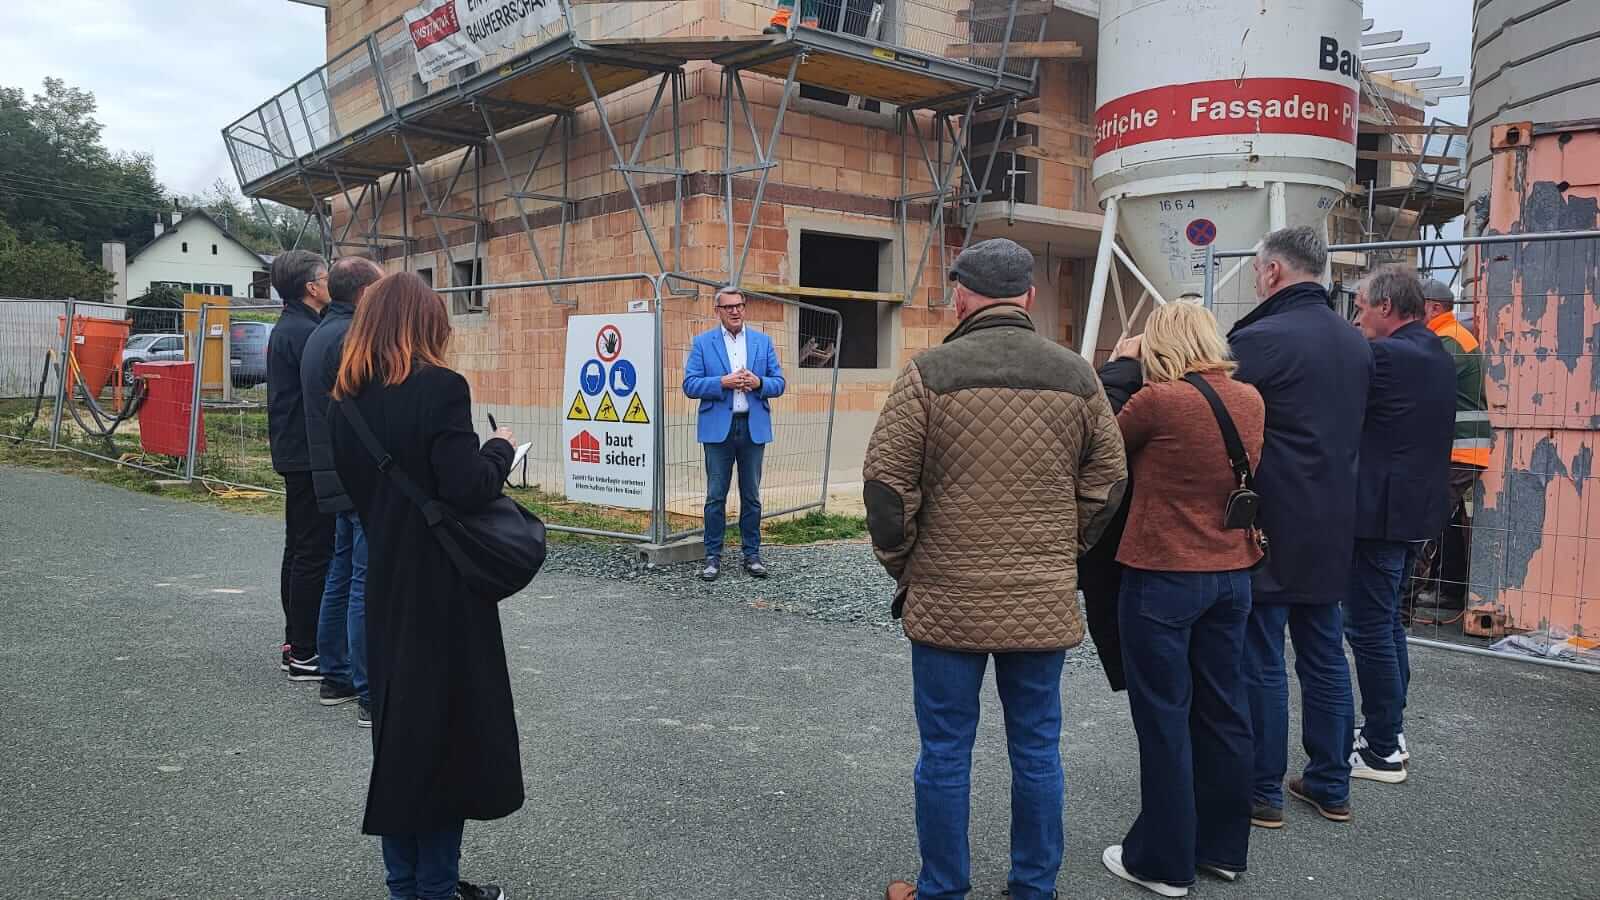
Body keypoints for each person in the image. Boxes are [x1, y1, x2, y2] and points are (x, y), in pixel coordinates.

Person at [863, 238, 1127, 900]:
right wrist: (1067, 548)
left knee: (945, 752)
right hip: (1040, 595)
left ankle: (942, 889)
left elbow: (887, 488)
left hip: (946, 597)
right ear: (1029, 297)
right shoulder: (1079, 376)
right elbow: (1110, 477)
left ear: (961, 295)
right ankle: (1034, 889)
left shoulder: (929, 373)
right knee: (1037, 750)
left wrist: (907, 563)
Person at [329, 272, 518, 900]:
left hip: (384, 583)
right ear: (425, 323)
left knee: (402, 740)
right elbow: (464, 486)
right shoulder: (441, 388)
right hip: (443, 590)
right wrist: (499, 450)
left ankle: (404, 884)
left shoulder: (345, 399)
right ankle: (436, 887)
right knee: (446, 737)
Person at [1100, 302, 1265, 898]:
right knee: (1224, 709)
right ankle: (1222, 847)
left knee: (1164, 717)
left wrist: (1120, 364)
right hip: (1232, 572)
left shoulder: (1159, 401)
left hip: (1162, 573)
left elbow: (1101, 442)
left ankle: (1162, 860)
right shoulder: (1250, 398)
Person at [1228, 226, 1373, 827]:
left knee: (1260, 656)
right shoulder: (1356, 341)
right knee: (1325, 655)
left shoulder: (1257, 340)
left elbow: (1227, 423)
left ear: (1272, 273)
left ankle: (1262, 792)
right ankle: (1330, 783)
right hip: (1336, 516)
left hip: (1270, 519)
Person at [1344, 268, 1456, 783]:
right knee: (1386, 624)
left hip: (1381, 514)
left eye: (1362, 304)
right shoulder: (1435, 351)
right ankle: (1389, 730)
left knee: (1368, 627)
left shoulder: (1385, 356)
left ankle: (1382, 746)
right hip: (1415, 511)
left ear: (1386, 306)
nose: (1357, 313)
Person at [302, 255, 385, 723]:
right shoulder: (352, 336)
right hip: (356, 474)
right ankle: (368, 689)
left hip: (330, 469)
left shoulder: (321, 332)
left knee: (340, 572)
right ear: (364, 292)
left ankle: (334, 674)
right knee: (363, 580)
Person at [681, 286, 786, 581]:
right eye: (728, 307)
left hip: (752, 427)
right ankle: (712, 556)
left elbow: (779, 382)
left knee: (751, 495)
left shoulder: (763, 342)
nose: (735, 311)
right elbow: (690, 385)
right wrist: (723, 382)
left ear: (745, 307)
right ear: (718, 311)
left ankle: (751, 555)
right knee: (716, 496)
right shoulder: (703, 343)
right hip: (718, 429)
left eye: (739, 305)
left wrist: (759, 382)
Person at [267, 249, 333, 681]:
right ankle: (306, 650)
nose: (330, 283)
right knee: (313, 551)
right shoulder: (306, 332)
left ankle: (297, 642)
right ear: (312, 287)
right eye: (326, 277)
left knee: (299, 547)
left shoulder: (291, 326)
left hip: (294, 451)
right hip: (308, 455)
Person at [1410, 277, 1489, 617]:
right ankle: (1448, 589)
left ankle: (1404, 600)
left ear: (1434, 307)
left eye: (1416, 306)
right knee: (1448, 522)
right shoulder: (1450, 337)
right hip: (1461, 451)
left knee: (1424, 520)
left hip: (1459, 451)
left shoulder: (1446, 340)